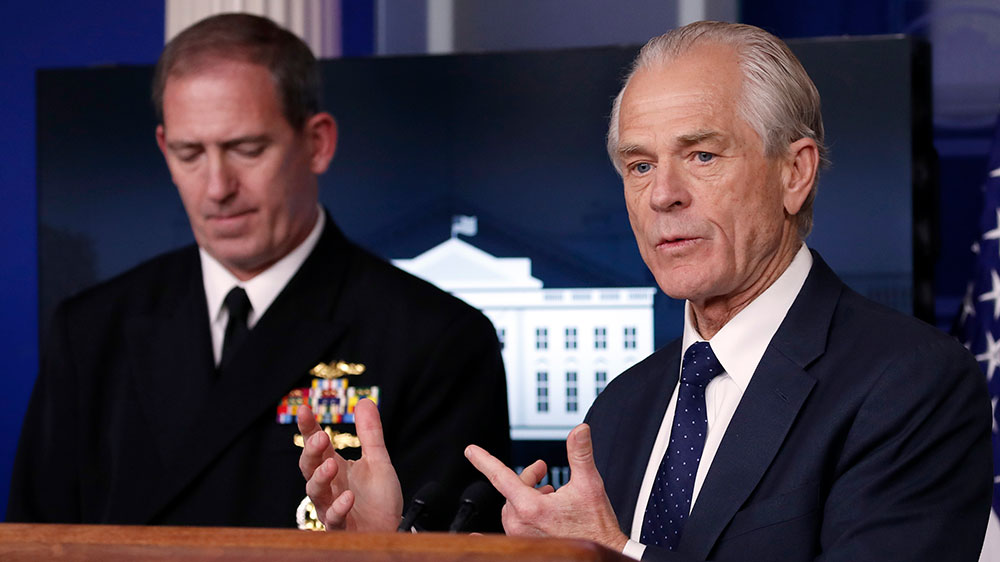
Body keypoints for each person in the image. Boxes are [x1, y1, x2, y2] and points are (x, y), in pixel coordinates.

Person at [303, 21, 994, 560]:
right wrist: (383, 547)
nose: (663, 194)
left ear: (795, 173)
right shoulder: (623, 406)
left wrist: (612, 557)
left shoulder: (910, 385)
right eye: (639, 165)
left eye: (702, 154)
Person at [8, 13, 510, 530]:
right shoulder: (90, 330)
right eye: (189, 153)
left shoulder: (438, 340)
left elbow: (453, 544)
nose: (217, 187)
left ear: (317, 143)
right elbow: (33, 542)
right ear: (164, 149)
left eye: (246, 150)